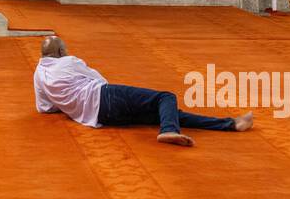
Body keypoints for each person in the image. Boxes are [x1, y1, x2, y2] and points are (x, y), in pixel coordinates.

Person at [33, 36, 253, 146]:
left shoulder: (39, 75)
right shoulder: (69, 61)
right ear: (61, 51)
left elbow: (45, 108)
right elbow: (100, 79)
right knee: (166, 97)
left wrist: (70, 103)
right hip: (106, 96)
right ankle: (168, 130)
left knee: (169, 112)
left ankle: (231, 124)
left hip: (100, 117)